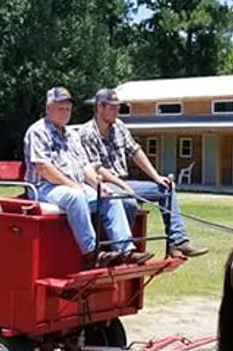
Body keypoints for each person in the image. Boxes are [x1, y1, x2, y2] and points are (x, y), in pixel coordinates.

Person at [24, 86, 151, 268]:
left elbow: (86, 166)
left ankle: (126, 251)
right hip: (44, 188)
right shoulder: (38, 131)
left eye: (67, 109)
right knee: (75, 197)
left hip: (73, 186)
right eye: (60, 108)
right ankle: (92, 253)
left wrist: (98, 185)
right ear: (48, 108)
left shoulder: (71, 135)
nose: (65, 113)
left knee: (109, 197)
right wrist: (72, 185)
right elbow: (43, 168)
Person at [80, 88, 208, 259]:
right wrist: (124, 186)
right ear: (99, 107)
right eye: (112, 107)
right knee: (129, 203)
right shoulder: (87, 133)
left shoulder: (119, 126)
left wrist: (156, 177)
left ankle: (177, 242)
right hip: (105, 186)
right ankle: (123, 251)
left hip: (126, 183)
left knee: (166, 189)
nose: (117, 111)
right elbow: (97, 168)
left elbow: (135, 151)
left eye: (118, 107)